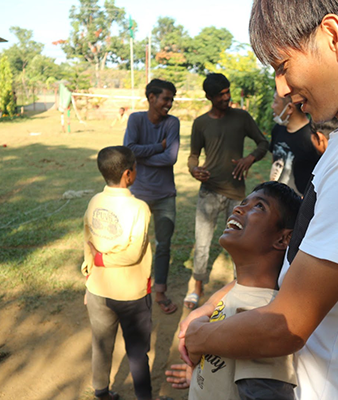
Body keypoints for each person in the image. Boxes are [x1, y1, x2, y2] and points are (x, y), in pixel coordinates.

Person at [181, 1, 338, 399]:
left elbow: (286, 324)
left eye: (283, 65)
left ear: (333, 36)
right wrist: (216, 304)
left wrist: (201, 337)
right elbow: (293, 270)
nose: (281, 88)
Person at [166, 181, 301, 400]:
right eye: (244, 202)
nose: (239, 208)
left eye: (259, 207)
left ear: (283, 238)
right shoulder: (236, 292)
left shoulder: (262, 316)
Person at [186, 73, 269, 310]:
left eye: (227, 92)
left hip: (236, 195)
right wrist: (193, 169)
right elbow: (193, 156)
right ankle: (197, 287)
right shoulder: (201, 123)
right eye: (220, 95)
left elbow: (263, 143)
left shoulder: (241, 117)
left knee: (240, 244)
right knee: (202, 243)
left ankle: (240, 289)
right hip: (209, 192)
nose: (226, 97)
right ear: (209, 97)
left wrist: (249, 159)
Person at [82, 146, 158, 400]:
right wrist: (100, 260)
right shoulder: (139, 208)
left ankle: (101, 391)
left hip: (98, 291)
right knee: (137, 352)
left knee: (101, 346)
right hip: (131, 295)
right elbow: (132, 254)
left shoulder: (94, 201)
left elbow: (87, 241)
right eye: (135, 167)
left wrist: (89, 275)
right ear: (128, 174)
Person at [124, 79, 180, 314]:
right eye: (165, 99)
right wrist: (159, 147)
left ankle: (160, 291)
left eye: (171, 99)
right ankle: (133, 290)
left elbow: (171, 158)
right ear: (151, 98)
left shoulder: (172, 123)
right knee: (134, 244)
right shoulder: (136, 119)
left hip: (165, 196)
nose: (169, 104)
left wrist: (141, 154)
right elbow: (129, 150)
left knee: (163, 246)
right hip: (138, 195)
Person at [269, 91, 321, 196]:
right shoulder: (277, 129)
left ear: (289, 108)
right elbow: (274, 159)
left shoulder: (313, 138)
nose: (272, 106)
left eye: (275, 102)